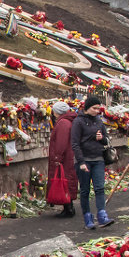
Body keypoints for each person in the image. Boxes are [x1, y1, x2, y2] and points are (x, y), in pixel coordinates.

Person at [70, 96, 115, 229]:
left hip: (98, 159)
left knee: (100, 188)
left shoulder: (99, 121)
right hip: (84, 161)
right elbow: (75, 143)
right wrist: (81, 161)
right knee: (85, 190)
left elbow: (107, 139)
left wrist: (102, 139)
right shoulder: (78, 122)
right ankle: (88, 219)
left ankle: (102, 216)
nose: (97, 111)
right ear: (87, 108)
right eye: (94, 108)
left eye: (98, 108)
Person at [47, 101, 78, 217]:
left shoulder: (63, 123)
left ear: (57, 112)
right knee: (66, 181)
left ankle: (69, 208)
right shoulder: (68, 121)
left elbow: (61, 142)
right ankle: (67, 207)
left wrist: (57, 156)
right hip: (68, 156)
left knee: (63, 181)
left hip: (65, 158)